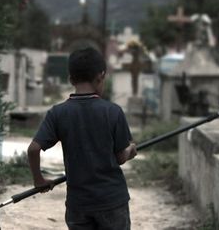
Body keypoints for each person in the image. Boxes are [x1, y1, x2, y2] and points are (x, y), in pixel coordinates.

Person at [27, 47, 137, 230]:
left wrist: (38, 180)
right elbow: (120, 158)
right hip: (112, 201)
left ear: (71, 79)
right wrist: (130, 150)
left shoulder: (58, 113)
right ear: (101, 76)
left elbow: (33, 149)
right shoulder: (113, 112)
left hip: (78, 204)